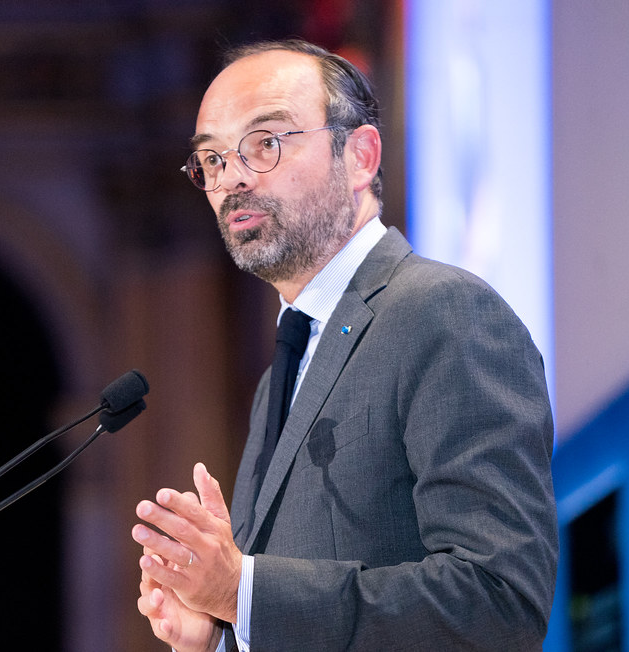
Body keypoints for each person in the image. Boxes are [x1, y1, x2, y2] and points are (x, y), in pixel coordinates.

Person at [131, 39, 557, 651]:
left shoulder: (445, 313)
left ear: (359, 156)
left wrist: (243, 593)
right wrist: (220, 635)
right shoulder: (281, 373)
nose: (233, 179)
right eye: (213, 159)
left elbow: (498, 604)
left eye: (265, 143)